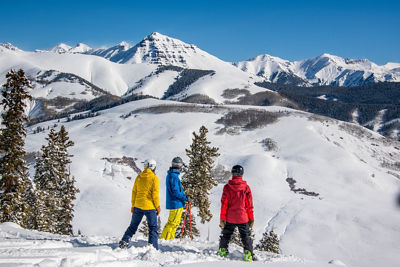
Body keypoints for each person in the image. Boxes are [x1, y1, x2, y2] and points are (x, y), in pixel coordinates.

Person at [119, 159, 161, 249]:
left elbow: (134, 192)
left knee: (133, 226)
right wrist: (157, 206)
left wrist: (133, 205)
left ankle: (124, 241)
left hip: (138, 206)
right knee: (153, 227)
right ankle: (152, 247)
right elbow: (155, 194)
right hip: (150, 207)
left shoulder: (139, 177)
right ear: (153, 167)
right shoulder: (154, 178)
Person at [218, 165, 255, 262]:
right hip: (243, 218)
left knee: (226, 235)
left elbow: (224, 204)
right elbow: (249, 205)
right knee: (245, 236)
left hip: (230, 217)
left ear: (232, 173)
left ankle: (222, 251)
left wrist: (222, 218)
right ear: (242, 174)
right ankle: (248, 254)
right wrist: (251, 218)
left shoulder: (227, 187)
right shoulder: (246, 188)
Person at [160, 156, 188, 240]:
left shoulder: (173, 175)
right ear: (179, 166)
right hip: (176, 203)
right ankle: (165, 239)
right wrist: (185, 197)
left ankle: (168, 238)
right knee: (172, 223)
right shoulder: (173, 176)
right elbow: (175, 191)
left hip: (177, 203)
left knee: (175, 223)